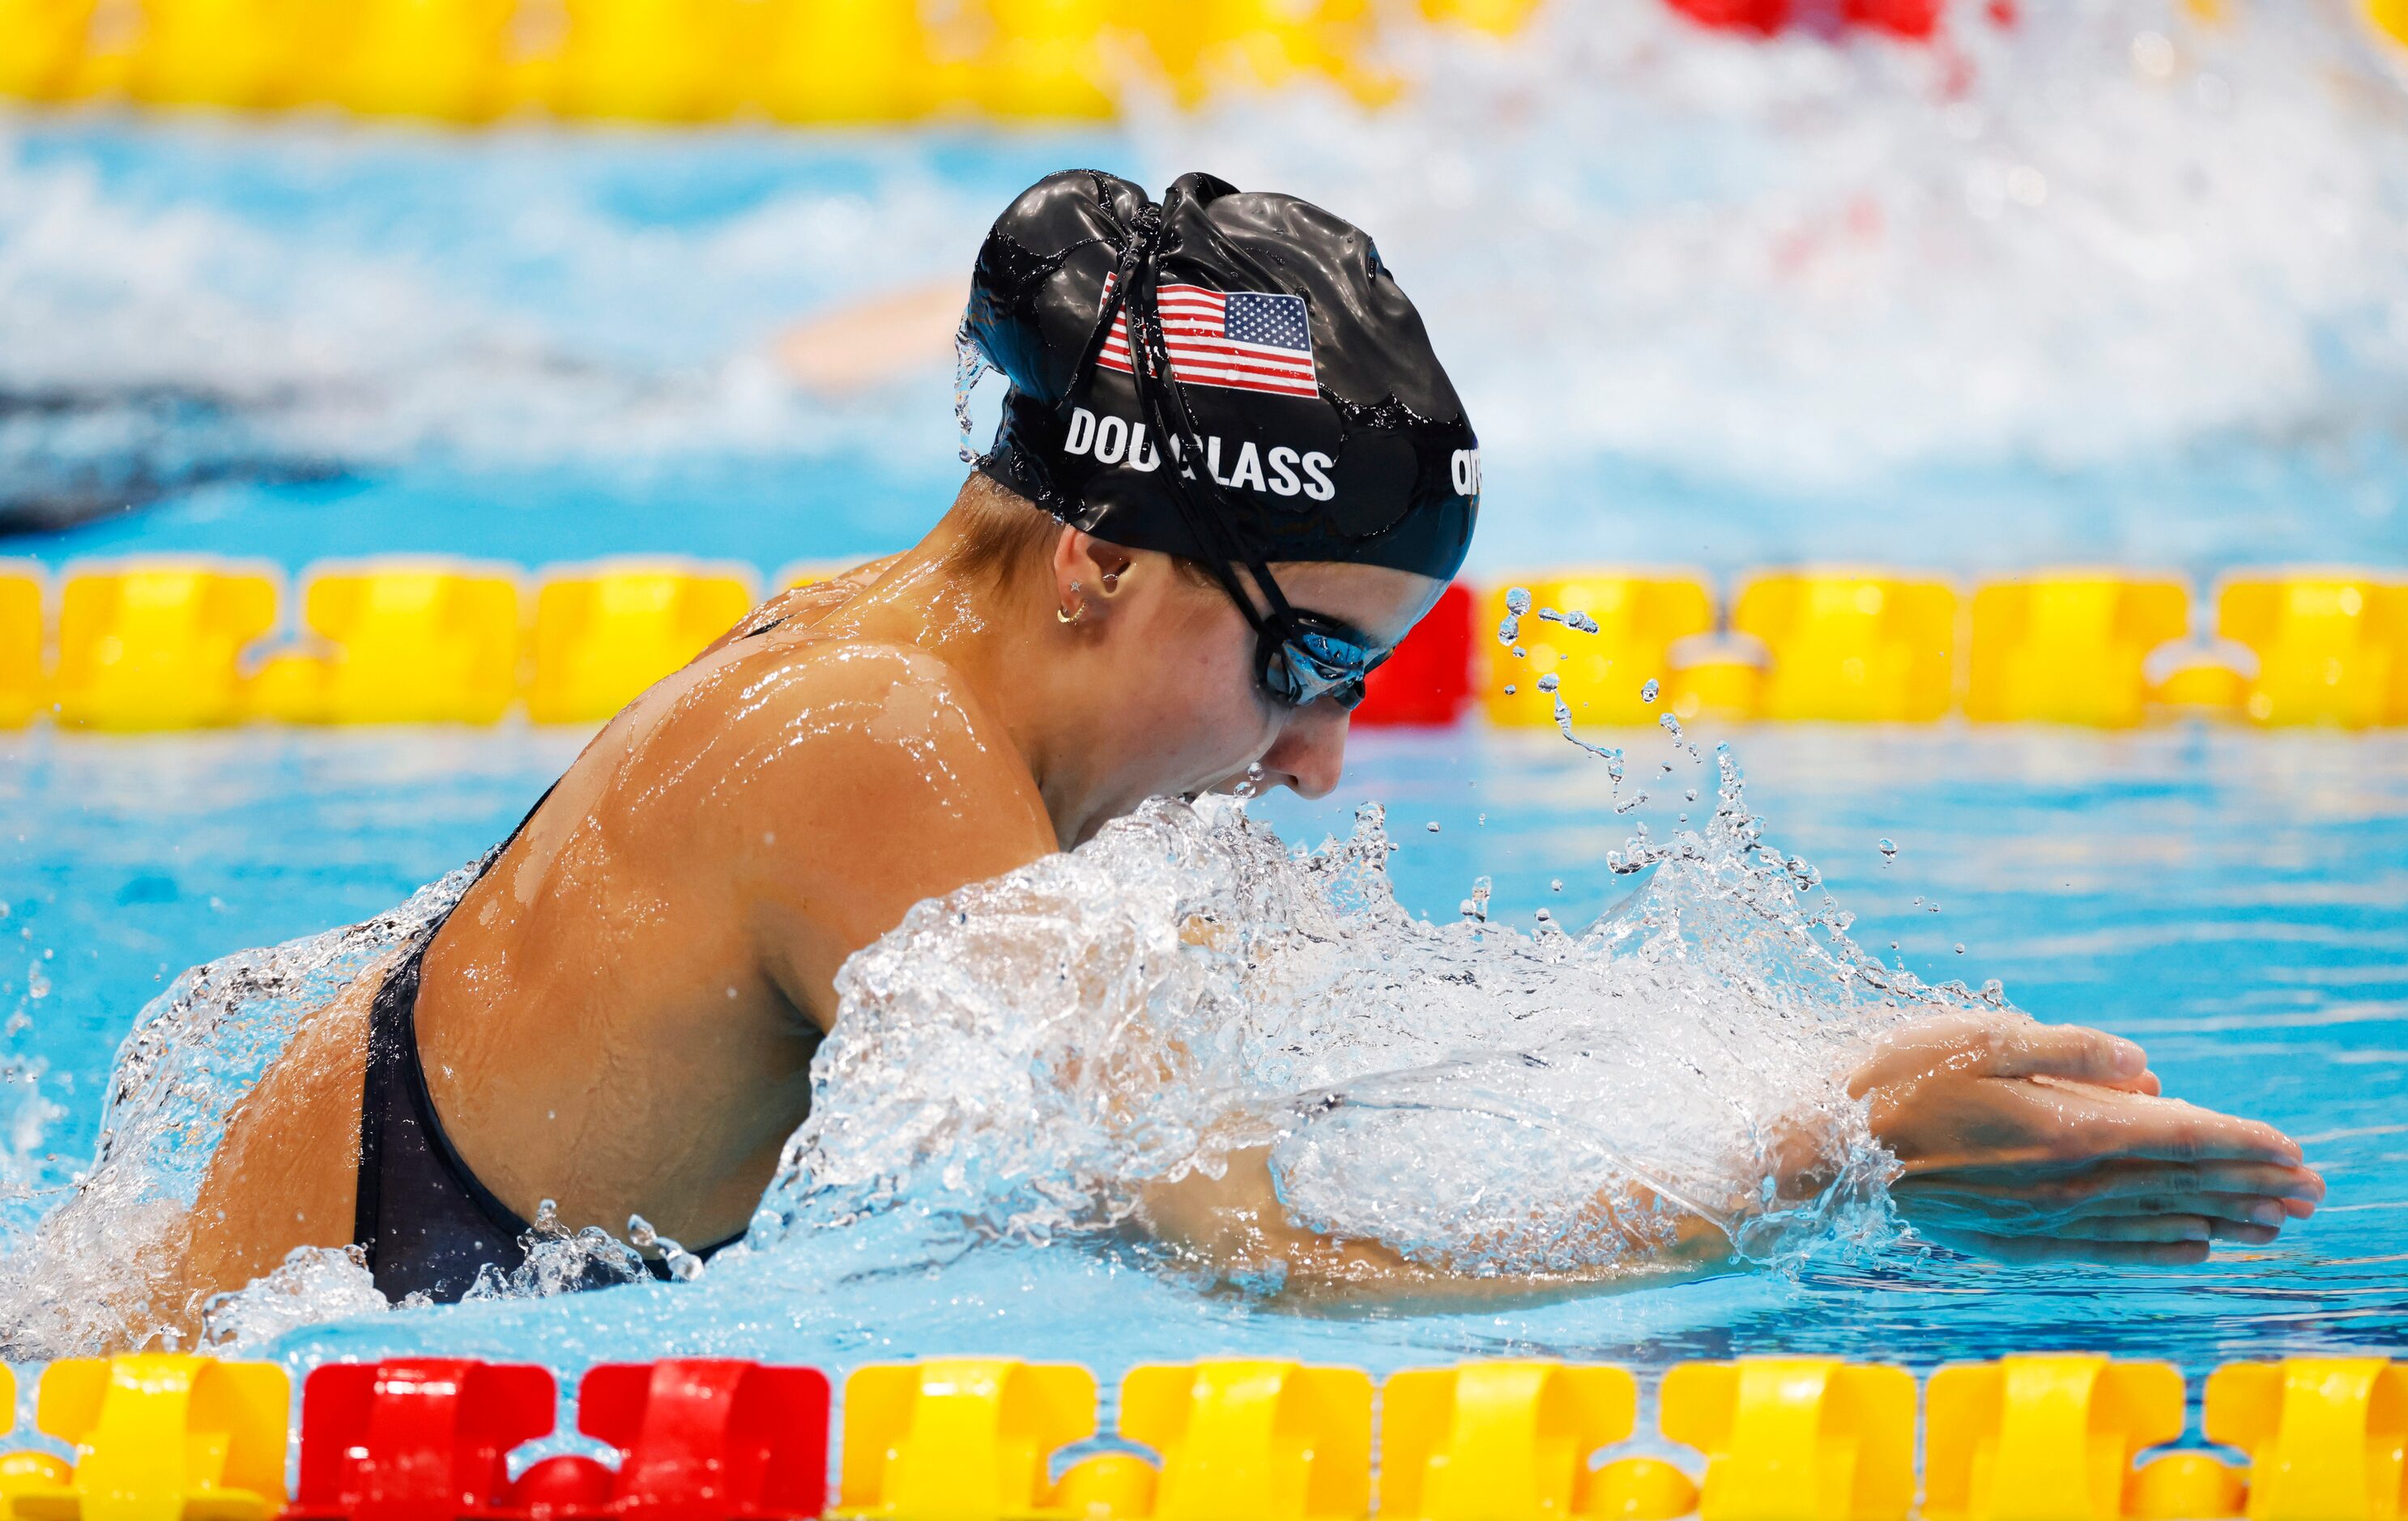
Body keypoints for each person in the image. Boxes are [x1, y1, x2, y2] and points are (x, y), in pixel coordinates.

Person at [173, 169, 2321, 1326]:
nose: (1314, 770)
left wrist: (1809, 1075)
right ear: (1108, 557)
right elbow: (1264, 1265)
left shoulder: (920, 685)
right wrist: (1818, 1175)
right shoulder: (877, 752)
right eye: (1309, 663)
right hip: (203, 1426)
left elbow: (1246, 1112)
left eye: (1360, 689)